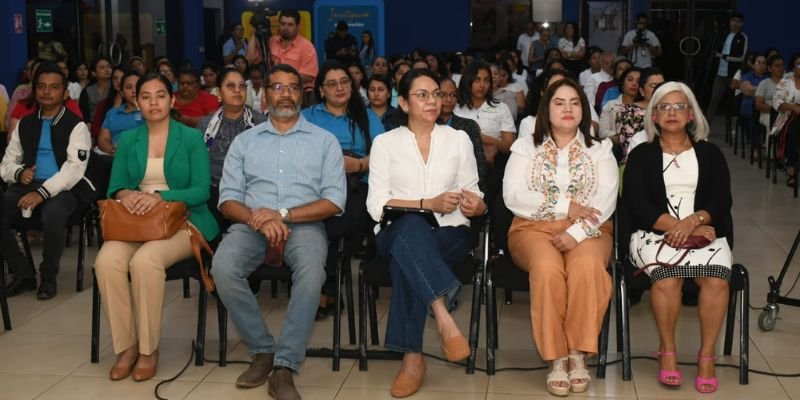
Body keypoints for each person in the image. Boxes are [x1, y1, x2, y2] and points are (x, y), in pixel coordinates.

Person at [211, 64, 346, 399]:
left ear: (302, 94)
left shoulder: (324, 141)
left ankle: (284, 366)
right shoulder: (244, 142)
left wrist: (282, 214)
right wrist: (261, 220)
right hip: (251, 225)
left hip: (304, 225)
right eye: (278, 87)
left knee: (313, 272)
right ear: (265, 94)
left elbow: (334, 201)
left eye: (293, 87)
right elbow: (227, 199)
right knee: (223, 268)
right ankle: (262, 349)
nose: (286, 94)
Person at [366, 68, 486, 398]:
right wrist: (426, 203)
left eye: (436, 93)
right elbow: (376, 204)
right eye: (422, 95)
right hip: (393, 230)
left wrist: (476, 205)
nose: (432, 101)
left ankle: (412, 358)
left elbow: (472, 190)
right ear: (403, 102)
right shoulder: (385, 143)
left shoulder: (458, 139)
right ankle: (443, 315)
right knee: (411, 226)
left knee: (409, 259)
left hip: (450, 232)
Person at [93, 72, 219, 382]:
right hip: (137, 222)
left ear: (172, 100)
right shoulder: (129, 140)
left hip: (184, 221)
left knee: (146, 261)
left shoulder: (190, 138)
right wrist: (129, 195)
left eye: (160, 95)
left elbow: (202, 189)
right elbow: (115, 187)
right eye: (146, 96)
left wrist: (160, 196)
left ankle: (149, 350)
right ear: (137, 102)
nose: (153, 102)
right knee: (106, 261)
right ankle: (127, 347)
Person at [503, 77, 617, 397]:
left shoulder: (600, 148)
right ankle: (555, 357)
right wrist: (567, 207)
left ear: (584, 108)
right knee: (548, 270)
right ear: (545, 109)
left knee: (586, 269)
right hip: (532, 228)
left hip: (591, 230)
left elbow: (606, 200)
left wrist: (577, 231)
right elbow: (513, 196)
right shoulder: (526, 146)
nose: (568, 109)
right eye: (559, 102)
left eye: (575, 102)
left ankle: (577, 354)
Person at [622, 81, 732, 394]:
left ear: (691, 115)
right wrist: (681, 227)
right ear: (653, 117)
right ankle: (667, 353)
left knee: (716, 280)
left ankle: (707, 357)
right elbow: (636, 203)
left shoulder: (710, 153)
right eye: (664, 107)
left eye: (679, 106)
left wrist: (696, 221)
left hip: (705, 232)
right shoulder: (642, 154)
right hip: (653, 233)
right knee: (667, 280)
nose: (672, 113)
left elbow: (722, 200)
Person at [1, 62, 95, 300]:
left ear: (64, 93)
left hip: (66, 189)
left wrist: (42, 193)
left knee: (53, 213)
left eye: (53, 87)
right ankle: (23, 274)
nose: (46, 92)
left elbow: (73, 170)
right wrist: (19, 173)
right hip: (28, 183)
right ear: (34, 90)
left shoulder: (76, 125)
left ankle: (49, 276)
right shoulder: (25, 123)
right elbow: (6, 163)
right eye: (41, 86)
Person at [302, 61, 384, 317]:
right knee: (318, 222)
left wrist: (358, 164)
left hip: (357, 181)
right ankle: (327, 285)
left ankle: (323, 287)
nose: (340, 88)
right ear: (321, 90)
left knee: (345, 221)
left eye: (344, 82)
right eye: (332, 84)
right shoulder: (308, 117)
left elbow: (383, 155)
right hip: (316, 183)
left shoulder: (367, 116)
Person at [198, 67, 267, 221]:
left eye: (242, 86)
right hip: (213, 192)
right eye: (230, 86)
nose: (237, 91)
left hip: (251, 193)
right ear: (219, 92)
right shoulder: (205, 125)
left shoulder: (261, 123)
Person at [246, 9, 319, 104]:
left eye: (290, 25)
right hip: (271, 97)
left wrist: (280, 76)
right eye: (283, 24)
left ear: (298, 26)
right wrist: (257, 31)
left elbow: (308, 76)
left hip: (297, 98)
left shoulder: (306, 47)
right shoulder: (271, 41)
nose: (286, 27)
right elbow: (250, 57)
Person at [454, 61, 516, 166]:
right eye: (477, 80)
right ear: (467, 81)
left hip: (493, 166)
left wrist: (482, 138)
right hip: (460, 165)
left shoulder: (501, 108)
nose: (482, 85)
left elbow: (509, 146)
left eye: (486, 80)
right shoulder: (456, 109)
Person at [437, 76, 488, 193]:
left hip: (464, 190)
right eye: (443, 95)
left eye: (453, 95)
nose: (449, 100)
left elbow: (480, 166)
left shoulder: (469, 126)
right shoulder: (425, 126)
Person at [706, 12, 747, 123]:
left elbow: (740, 57)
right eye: (733, 20)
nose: (735, 23)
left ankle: (736, 127)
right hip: (720, 73)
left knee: (735, 102)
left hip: (733, 75)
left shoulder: (742, 37)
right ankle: (705, 127)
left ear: (742, 24)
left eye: (738, 21)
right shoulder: (724, 34)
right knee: (714, 100)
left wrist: (722, 56)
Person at [599, 66, 643, 162]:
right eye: (630, 80)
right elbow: (602, 133)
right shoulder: (610, 105)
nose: (634, 84)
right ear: (622, 83)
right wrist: (623, 137)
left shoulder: (647, 107)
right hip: (615, 153)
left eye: (638, 81)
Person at [97, 71, 143, 156]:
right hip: (116, 156)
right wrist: (112, 150)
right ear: (122, 93)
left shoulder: (151, 111)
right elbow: (103, 139)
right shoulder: (113, 113)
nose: (134, 90)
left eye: (137, 86)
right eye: (129, 87)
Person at [773, 53, 800, 187]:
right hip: (787, 118)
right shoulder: (785, 82)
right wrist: (793, 107)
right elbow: (777, 102)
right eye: (799, 65)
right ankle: (791, 168)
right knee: (794, 129)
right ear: (793, 67)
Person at [739, 54, 767, 160]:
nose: (761, 65)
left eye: (764, 63)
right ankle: (756, 148)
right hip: (749, 109)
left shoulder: (769, 77)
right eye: (758, 63)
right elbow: (747, 91)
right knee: (753, 118)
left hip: (765, 107)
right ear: (753, 65)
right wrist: (765, 89)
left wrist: (755, 89)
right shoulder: (747, 76)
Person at [79, 57, 113, 129]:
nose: (107, 70)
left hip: (112, 124)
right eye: (102, 68)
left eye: (108, 67)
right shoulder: (87, 91)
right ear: (94, 73)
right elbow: (84, 113)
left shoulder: (115, 88)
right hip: (93, 127)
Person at [754, 55, 784, 136]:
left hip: (787, 113)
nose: (781, 68)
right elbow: (758, 105)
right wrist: (775, 111)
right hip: (768, 113)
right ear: (769, 68)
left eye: (782, 65)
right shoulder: (764, 83)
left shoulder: (789, 82)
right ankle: (771, 148)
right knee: (773, 123)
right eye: (777, 66)